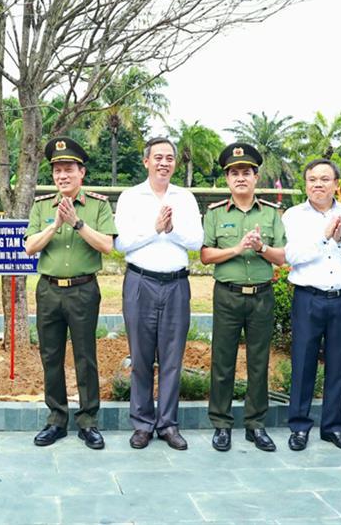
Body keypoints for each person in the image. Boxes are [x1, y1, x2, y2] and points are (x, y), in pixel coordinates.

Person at [25, 137, 116, 450]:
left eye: (68, 170)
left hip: (83, 290)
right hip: (49, 290)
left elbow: (107, 245)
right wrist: (54, 225)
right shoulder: (41, 206)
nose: (62, 176)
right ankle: (56, 419)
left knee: (85, 356)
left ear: (82, 173)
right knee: (50, 356)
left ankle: (88, 421)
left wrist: (77, 223)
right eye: (57, 171)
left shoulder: (98, 205)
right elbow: (29, 247)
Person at [114, 137, 202, 451]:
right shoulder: (130, 197)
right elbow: (121, 243)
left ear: (174, 163)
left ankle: (167, 424)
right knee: (140, 357)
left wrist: (171, 229)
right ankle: (141, 424)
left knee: (172, 359)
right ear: (146, 161)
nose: (164, 163)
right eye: (158, 157)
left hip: (176, 284)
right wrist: (154, 228)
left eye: (169, 158)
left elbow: (196, 241)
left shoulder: (186, 198)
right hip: (140, 283)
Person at [200, 143, 286, 453]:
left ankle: (255, 425)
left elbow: (282, 257)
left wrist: (262, 247)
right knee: (222, 362)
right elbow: (205, 255)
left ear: (256, 177)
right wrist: (237, 249)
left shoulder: (273, 214)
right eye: (234, 173)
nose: (240, 178)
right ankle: (222, 425)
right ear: (227, 179)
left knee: (259, 362)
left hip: (261, 296)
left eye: (246, 173)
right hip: (227, 295)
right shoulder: (214, 214)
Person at [282, 158, 341, 452]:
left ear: (336, 184)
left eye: (324, 179)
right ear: (305, 184)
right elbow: (293, 256)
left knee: (339, 365)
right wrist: (323, 238)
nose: (317, 184)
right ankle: (298, 426)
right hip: (308, 298)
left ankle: (333, 427)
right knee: (303, 364)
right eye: (311, 179)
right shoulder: (294, 215)